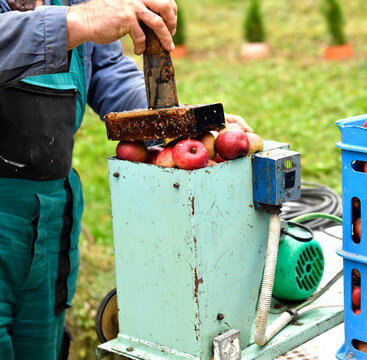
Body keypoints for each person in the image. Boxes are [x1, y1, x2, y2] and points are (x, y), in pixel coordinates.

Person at [0, 0, 251, 359]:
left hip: (52, 215)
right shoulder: (75, 11)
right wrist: (77, 21)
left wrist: (179, 130)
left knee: (41, 344)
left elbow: (105, 71)